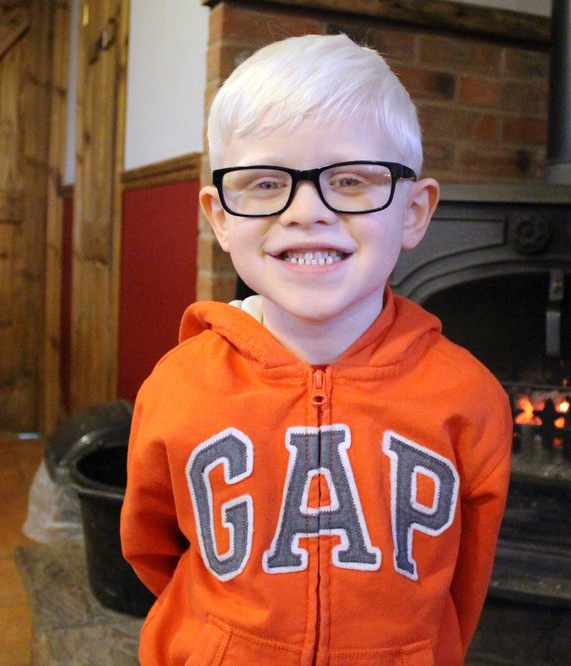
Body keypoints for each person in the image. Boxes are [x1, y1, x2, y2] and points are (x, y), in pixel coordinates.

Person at [121, 33, 512, 665]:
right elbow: (153, 548)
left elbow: (464, 579)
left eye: (352, 180)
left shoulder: (469, 398)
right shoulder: (177, 384)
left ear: (414, 211)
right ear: (219, 217)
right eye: (265, 183)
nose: (306, 212)